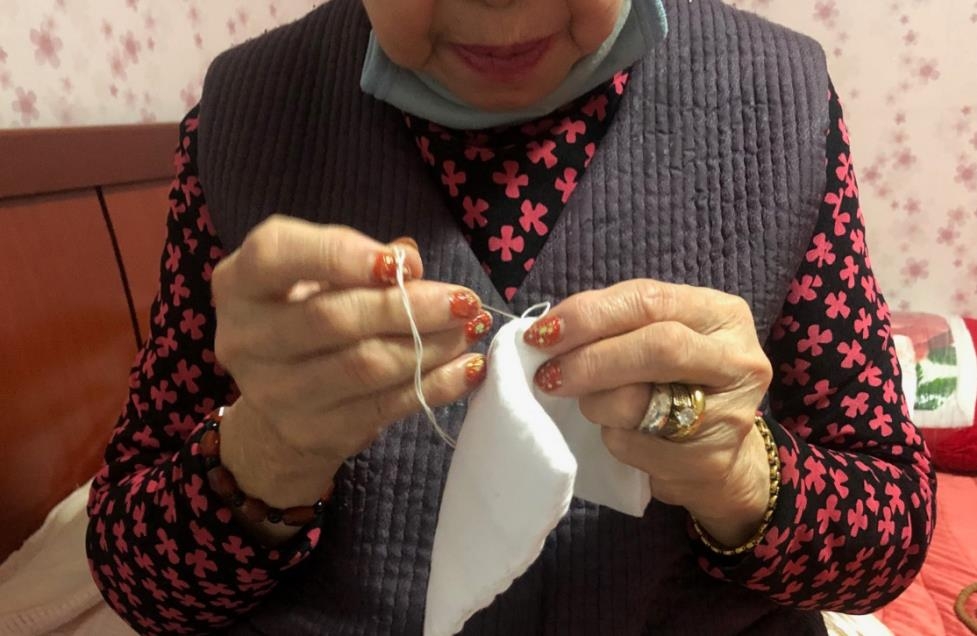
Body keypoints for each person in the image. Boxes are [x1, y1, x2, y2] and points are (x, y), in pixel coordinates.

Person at [85, 0, 936, 634]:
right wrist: (268, 453)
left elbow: (887, 541)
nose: (499, 4)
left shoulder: (780, 104)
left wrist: (740, 476)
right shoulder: (245, 120)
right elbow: (137, 581)